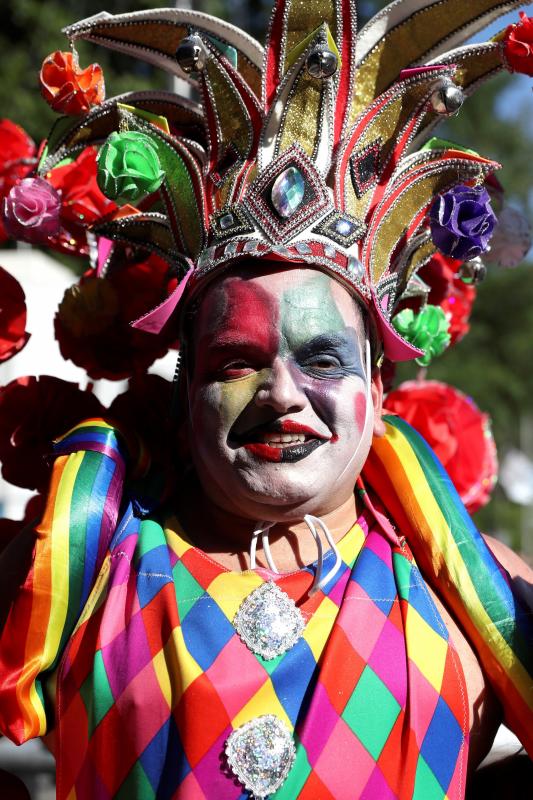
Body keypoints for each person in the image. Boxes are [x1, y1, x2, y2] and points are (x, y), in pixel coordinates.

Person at [0, 1, 532, 798]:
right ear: (184, 390)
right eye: (235, 362)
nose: (282, 392)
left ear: (378, 387)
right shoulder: (69, 568)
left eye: (321, 357)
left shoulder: (476, 594)